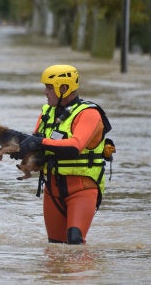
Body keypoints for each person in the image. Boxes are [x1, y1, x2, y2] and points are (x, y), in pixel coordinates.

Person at [14, 64, 114, 245]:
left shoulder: (89, 113)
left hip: (82, 188)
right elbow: (38, 142)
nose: (45, 92)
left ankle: (84, 273)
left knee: (74, 241)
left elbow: (75, 146)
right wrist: (21, 149)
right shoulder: (47, 111)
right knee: (56, 248)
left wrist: (39, 142)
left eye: (49, 87)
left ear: (64, 88)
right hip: (53, 189)